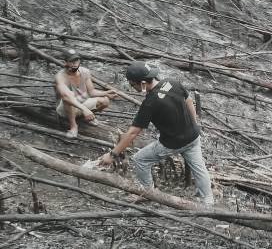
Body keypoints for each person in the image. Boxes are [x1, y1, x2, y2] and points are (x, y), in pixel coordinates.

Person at [99, 61, 214, 205]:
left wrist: (112, 154)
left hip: (172, 143)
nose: (132, 87)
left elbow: (133, 132)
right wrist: (194, 123)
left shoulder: (150, 103)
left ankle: (148, 193)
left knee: (140, 159)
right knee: (200, 168)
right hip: (193, 136)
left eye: (132, 84)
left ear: (142, 83)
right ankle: (208, 202)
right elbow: (189, 101)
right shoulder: (172, 82)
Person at [55, 49, 117, 138]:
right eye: (71, 61)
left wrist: (106, 93)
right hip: (65, 109)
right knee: (69, 97)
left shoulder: (85, 72)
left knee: (105, 101)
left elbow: (91, 92)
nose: (75, 63)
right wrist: (84, 109)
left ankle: (85, 118)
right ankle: (73, 126)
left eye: (76, 60)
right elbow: (65, 97)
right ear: (65, 62)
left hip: (82, 104)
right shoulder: (60, 76)